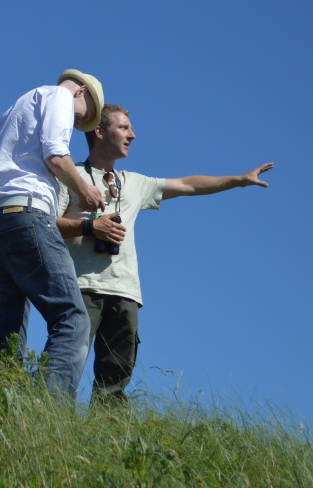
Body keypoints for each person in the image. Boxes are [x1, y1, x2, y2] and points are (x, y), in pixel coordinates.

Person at [57, 103, 273, 403]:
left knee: (115, 380)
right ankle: (53, 424)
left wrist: (238, 180)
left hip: (126, 292)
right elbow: (48, 224)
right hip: (82, 287)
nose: (133, 135)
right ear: (99, 132)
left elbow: (188, 185)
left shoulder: (135, 182)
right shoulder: (71, 177)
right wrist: (91, 227)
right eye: (124, 128)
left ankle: (107, 438)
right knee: (67, 363)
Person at [0, 69, 106, 398]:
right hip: (27, 216)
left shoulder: (16, 108)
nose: (79, 125)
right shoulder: (60, 96)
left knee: (5, 343)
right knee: (73, 318)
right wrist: (83, 190)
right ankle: (49, 416)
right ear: (81, 93)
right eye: (84, 117)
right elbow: (55, 154)